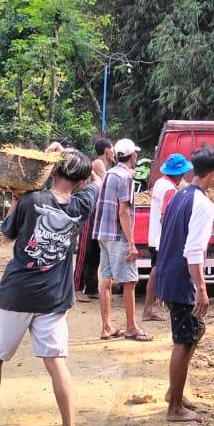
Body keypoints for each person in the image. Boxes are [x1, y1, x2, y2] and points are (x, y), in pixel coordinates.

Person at [0, 149, 99, 426]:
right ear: (81, 182)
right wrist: (71, 162)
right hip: (54, 298)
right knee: (56, 362)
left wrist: (20, 193)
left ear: (53, 171)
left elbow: (7, 234)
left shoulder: (30, 200)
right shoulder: (83, 203)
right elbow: (98, 174)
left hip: (17, 294)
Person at [155, 147, 214, 422]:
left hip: (170, 271)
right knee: (184, 341)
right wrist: (201, 289)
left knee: (196, 330)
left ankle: (174, 391)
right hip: (183, 277)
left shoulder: (179, 195)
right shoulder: (203, 204)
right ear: (213, 175)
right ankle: (174, 407)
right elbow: (194, 250)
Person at [94, 137, 151, 341]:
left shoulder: (110, 174)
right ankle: (131, 327)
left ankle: (106, 327)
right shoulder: (126, 177)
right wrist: (132, 242)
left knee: (106, 279)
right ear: (132, 155)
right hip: (118, 235)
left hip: (104, 234)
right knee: (129, 281)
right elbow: (123, 211)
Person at [143, 152, 193, 322]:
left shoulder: (159, 182)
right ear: (179, 173)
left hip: (154, 236)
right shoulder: (171, 189)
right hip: (162, 238)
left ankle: (151, 307)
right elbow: (165, 217)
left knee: (157, 269)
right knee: (158, 270)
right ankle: (148, 309)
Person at [74, 137, 114, 302]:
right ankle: (76, 288)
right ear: (107, 150)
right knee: (85, 251)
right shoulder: (98, 163)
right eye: (112, 149)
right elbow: (108, 182)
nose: (114, 152)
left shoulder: (105, 165)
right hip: (89, 213)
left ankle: (91, 287)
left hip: (98, 214)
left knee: (95, 252)